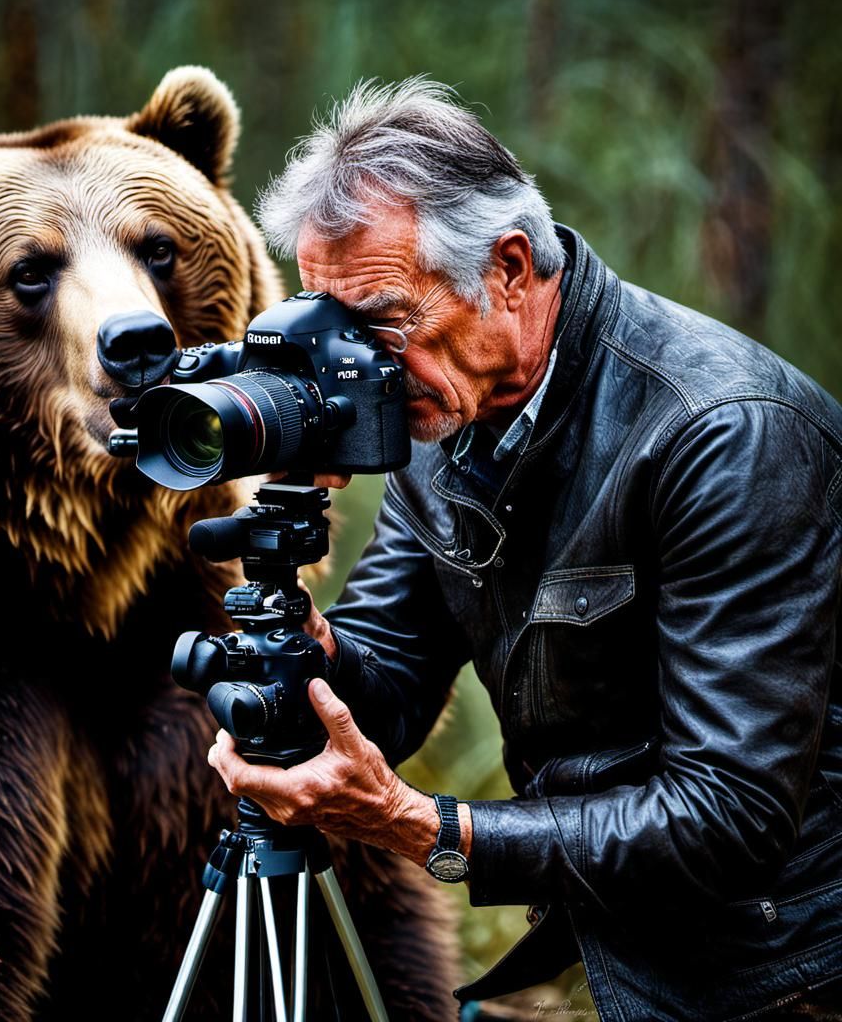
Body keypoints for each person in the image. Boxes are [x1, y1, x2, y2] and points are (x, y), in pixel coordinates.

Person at [207, 79, 842, 1021]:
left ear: (508, 270)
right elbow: (389, 690)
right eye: (329, 325)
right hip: (594, 928)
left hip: (772, 969)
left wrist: (430, 828)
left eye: (381, 321)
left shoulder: (725, 433)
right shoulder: (444, 416)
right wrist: (306, 645)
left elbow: (729, 816)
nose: (361, 366)